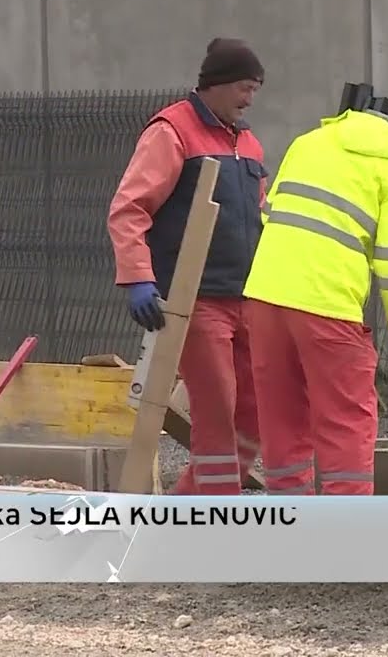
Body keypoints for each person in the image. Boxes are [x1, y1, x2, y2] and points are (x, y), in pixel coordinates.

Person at [241, 98, 388, 496]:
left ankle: (291, 519)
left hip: (265, 296)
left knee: (282, 418)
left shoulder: (311, 141)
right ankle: (347, 524)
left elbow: (269, 215)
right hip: (327, 304)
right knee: (346, 422)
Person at [106, 37, 268, 495]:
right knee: (217, 407)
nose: (249, 99)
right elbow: (129, 209)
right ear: (217, 84)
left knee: (256, 409)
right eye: (244, 88)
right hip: (196, 298)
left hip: (247, 295)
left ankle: (188, 506)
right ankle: (215, 513)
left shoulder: (248, 144)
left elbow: (260, 215)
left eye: (254, 90)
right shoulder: (172, 131)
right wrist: (138, 278)